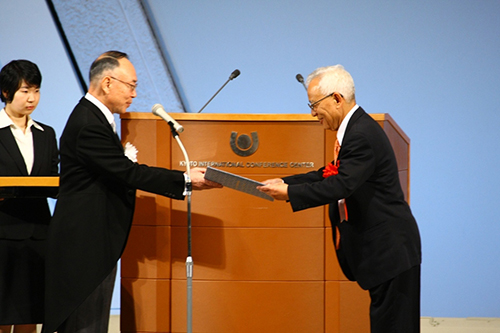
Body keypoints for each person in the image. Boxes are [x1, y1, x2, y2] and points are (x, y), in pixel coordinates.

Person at [42, 51, 221, 333]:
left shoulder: (95, 118)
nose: (134, 94)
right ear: (108, 83)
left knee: (93, 324)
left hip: (93, 243)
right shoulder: (88, 124)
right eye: (131, 85)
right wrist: (185, 180)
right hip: (83, 246)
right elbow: (128, 173)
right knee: (84, 326)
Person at [258, 65, 421, 333]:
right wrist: (286, 182)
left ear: (336, 98)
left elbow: (341, 184)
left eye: (314, 105)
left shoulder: (361, 135)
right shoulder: (355, 131)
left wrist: (289, 194)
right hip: (387, 252)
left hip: (391, 251)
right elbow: (328, 173)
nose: (312, 113)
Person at [0, 60, 59, 333]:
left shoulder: (47, 134)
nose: (31, 98)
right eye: (24, 91)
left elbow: (52, 180)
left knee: (31, 314)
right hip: (3, 235)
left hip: (38, 235)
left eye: (36, 90)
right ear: (6, 92)